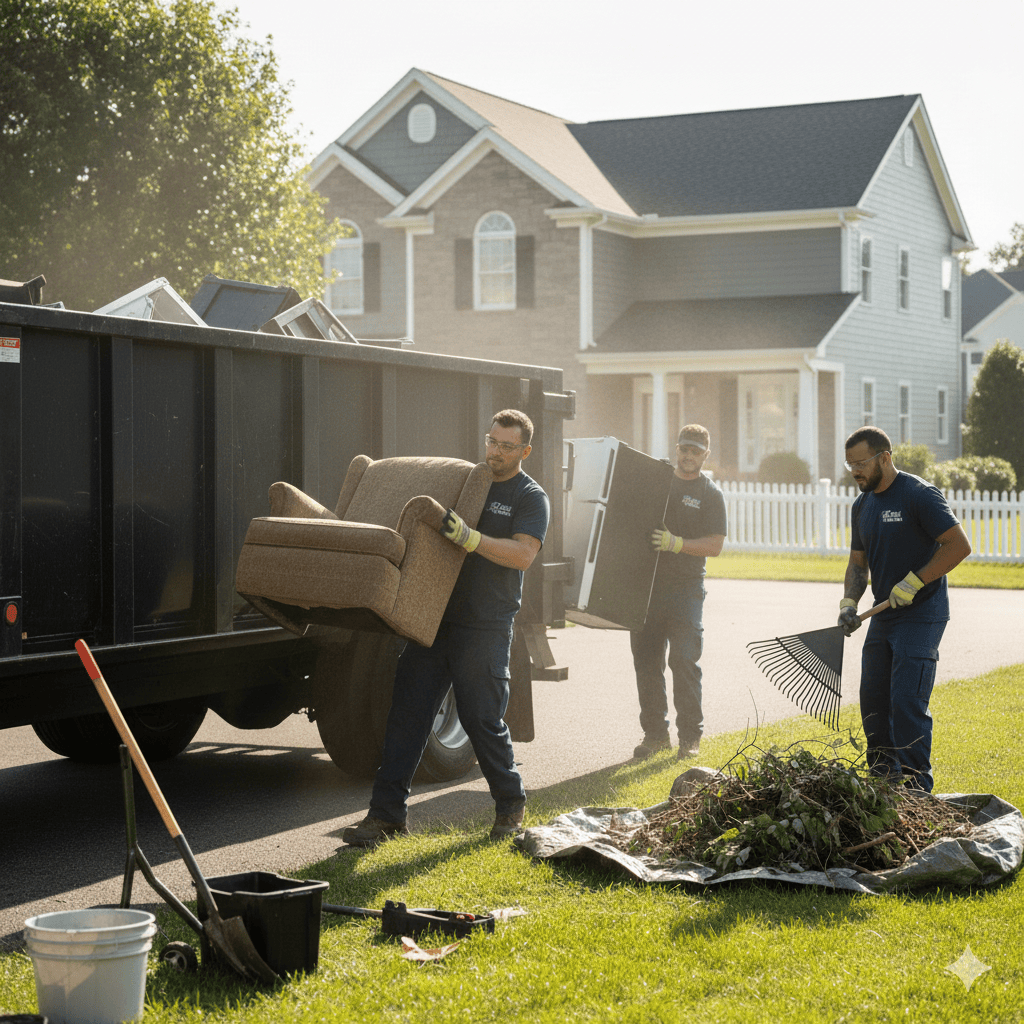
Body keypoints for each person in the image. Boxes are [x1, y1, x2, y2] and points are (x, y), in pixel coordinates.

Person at [343, 410, 550, 845]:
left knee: (481, 718)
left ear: (525, 451)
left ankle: (511, 807)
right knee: (407, 715)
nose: (495, 451)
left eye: (506, 446)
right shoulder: (467, 482)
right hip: (435, 619)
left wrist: (470, 538)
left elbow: (523, 554)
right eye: (491, 441)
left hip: (486, 624)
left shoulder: (530, 496)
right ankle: (385, 817)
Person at [838, 426, 971, 792]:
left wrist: (916, 581)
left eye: (860, 463)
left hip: (922, 614)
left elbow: (958, 545)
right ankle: (882, 789)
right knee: (874, 703)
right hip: (884, 616)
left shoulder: (919, 495)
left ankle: (916, 793)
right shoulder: (862, 505)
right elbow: (857, 563)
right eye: (849, 464)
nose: (854, 472)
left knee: (906, 702)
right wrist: (850, 602)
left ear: (884, 457)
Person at [631, 424, 727, 761]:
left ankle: (690, 738)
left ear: (705, 455)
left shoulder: (710, 494)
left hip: (685, 589)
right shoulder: (658, 482)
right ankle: (655, 735)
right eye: (684, 449)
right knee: (646, 660)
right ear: (677, 449)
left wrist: (677, 544)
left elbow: (715, 545)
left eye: (695, 451)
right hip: (647, 586)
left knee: (684, 660)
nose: (688, 456)